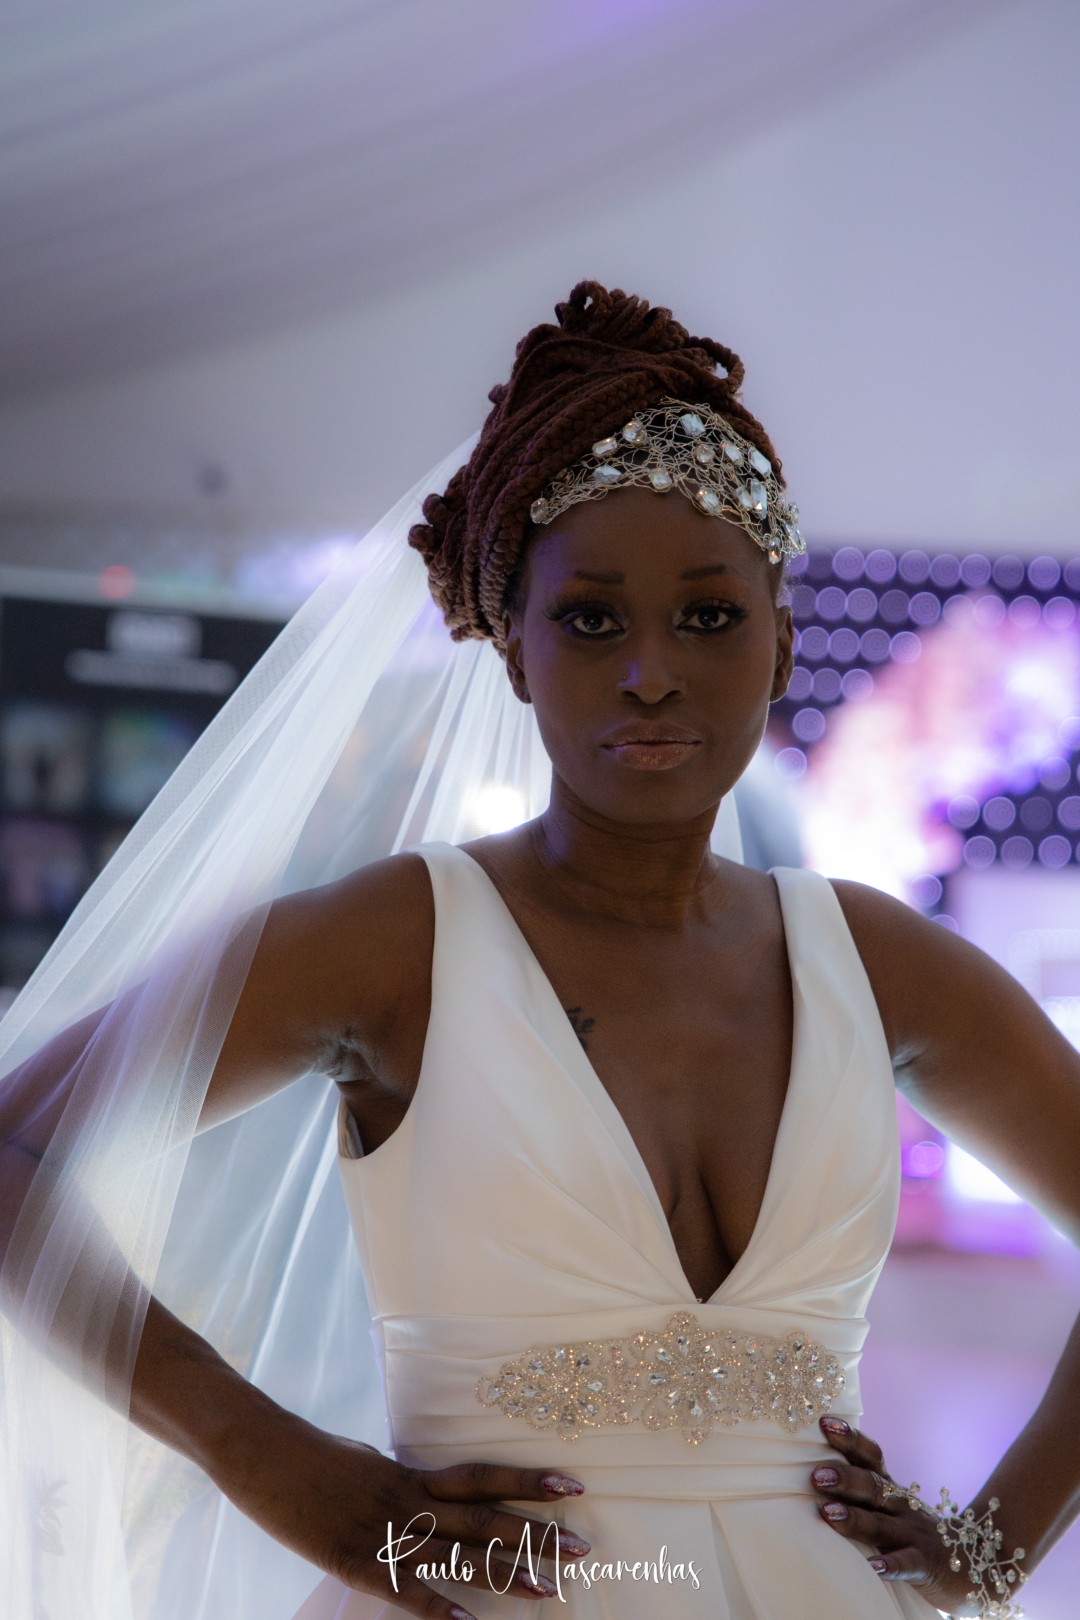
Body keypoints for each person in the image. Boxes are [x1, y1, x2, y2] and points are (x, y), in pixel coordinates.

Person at [1, 281, 1078, 1620]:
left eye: (708, 615)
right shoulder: (400, 942)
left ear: (781, 643)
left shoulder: (879, 963)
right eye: (590, 619)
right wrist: (274, 1464)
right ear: (513, 651)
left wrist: (989, 1551)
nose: (650, 673)